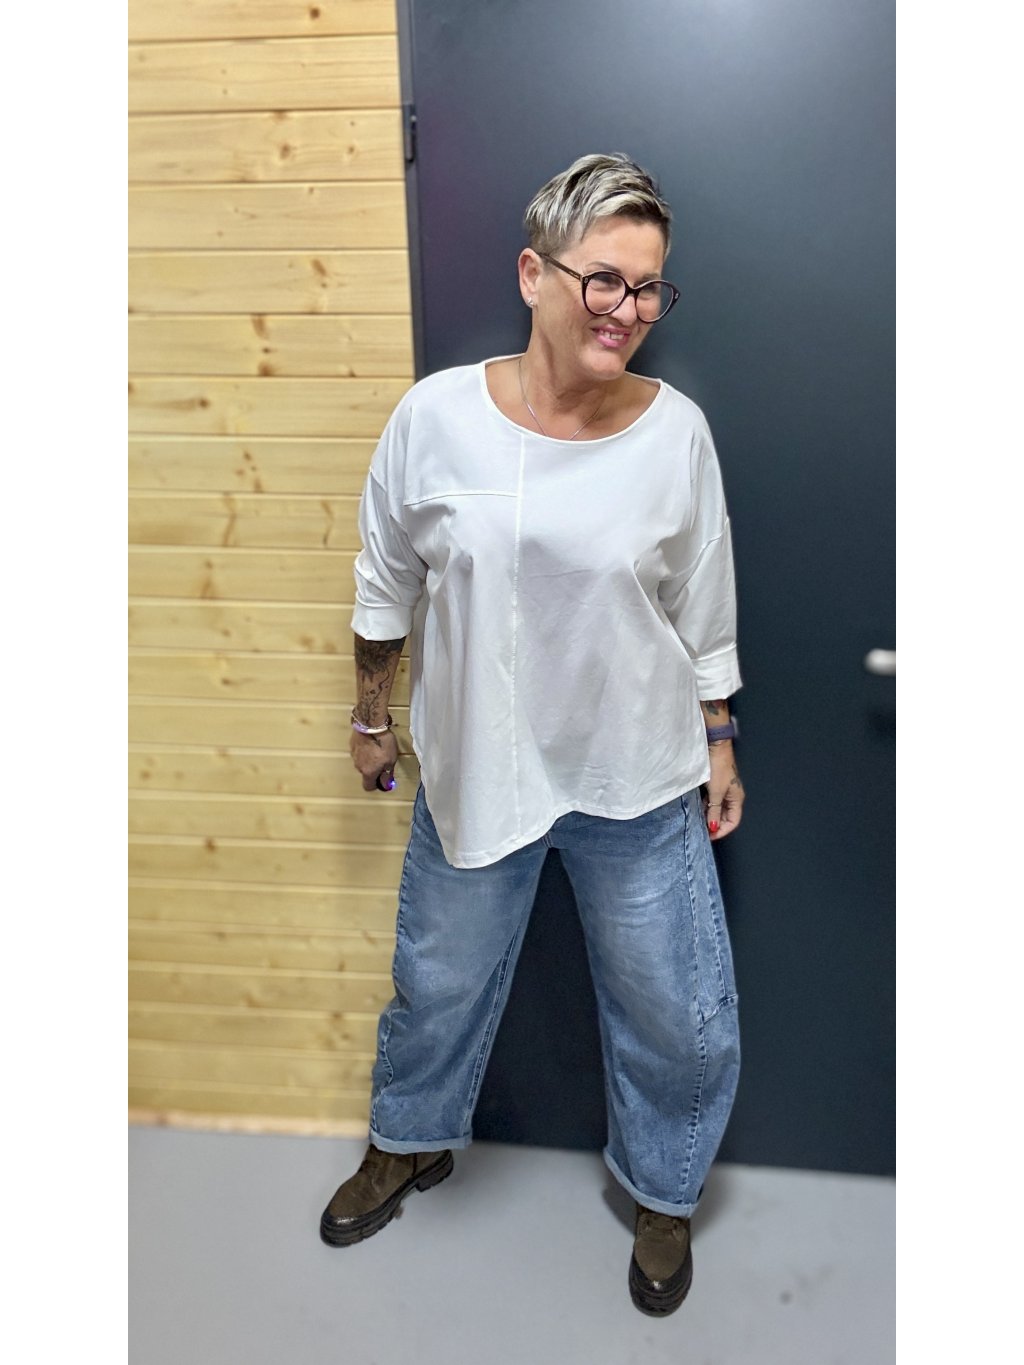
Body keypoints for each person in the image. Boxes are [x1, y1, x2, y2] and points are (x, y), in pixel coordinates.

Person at [319, 153, 745, 1317]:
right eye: (604, 278)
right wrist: (370, 716)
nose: (628, 309)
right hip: (479, 772)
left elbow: (703, 602)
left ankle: (663, 1189)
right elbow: (383, 583)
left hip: (634, 777)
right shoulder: (435, 418)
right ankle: (408, 1141)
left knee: (675, 1011)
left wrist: (718, 737)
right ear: (532, 273)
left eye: (648, 287)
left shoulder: (675, 433)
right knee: (434, 983)